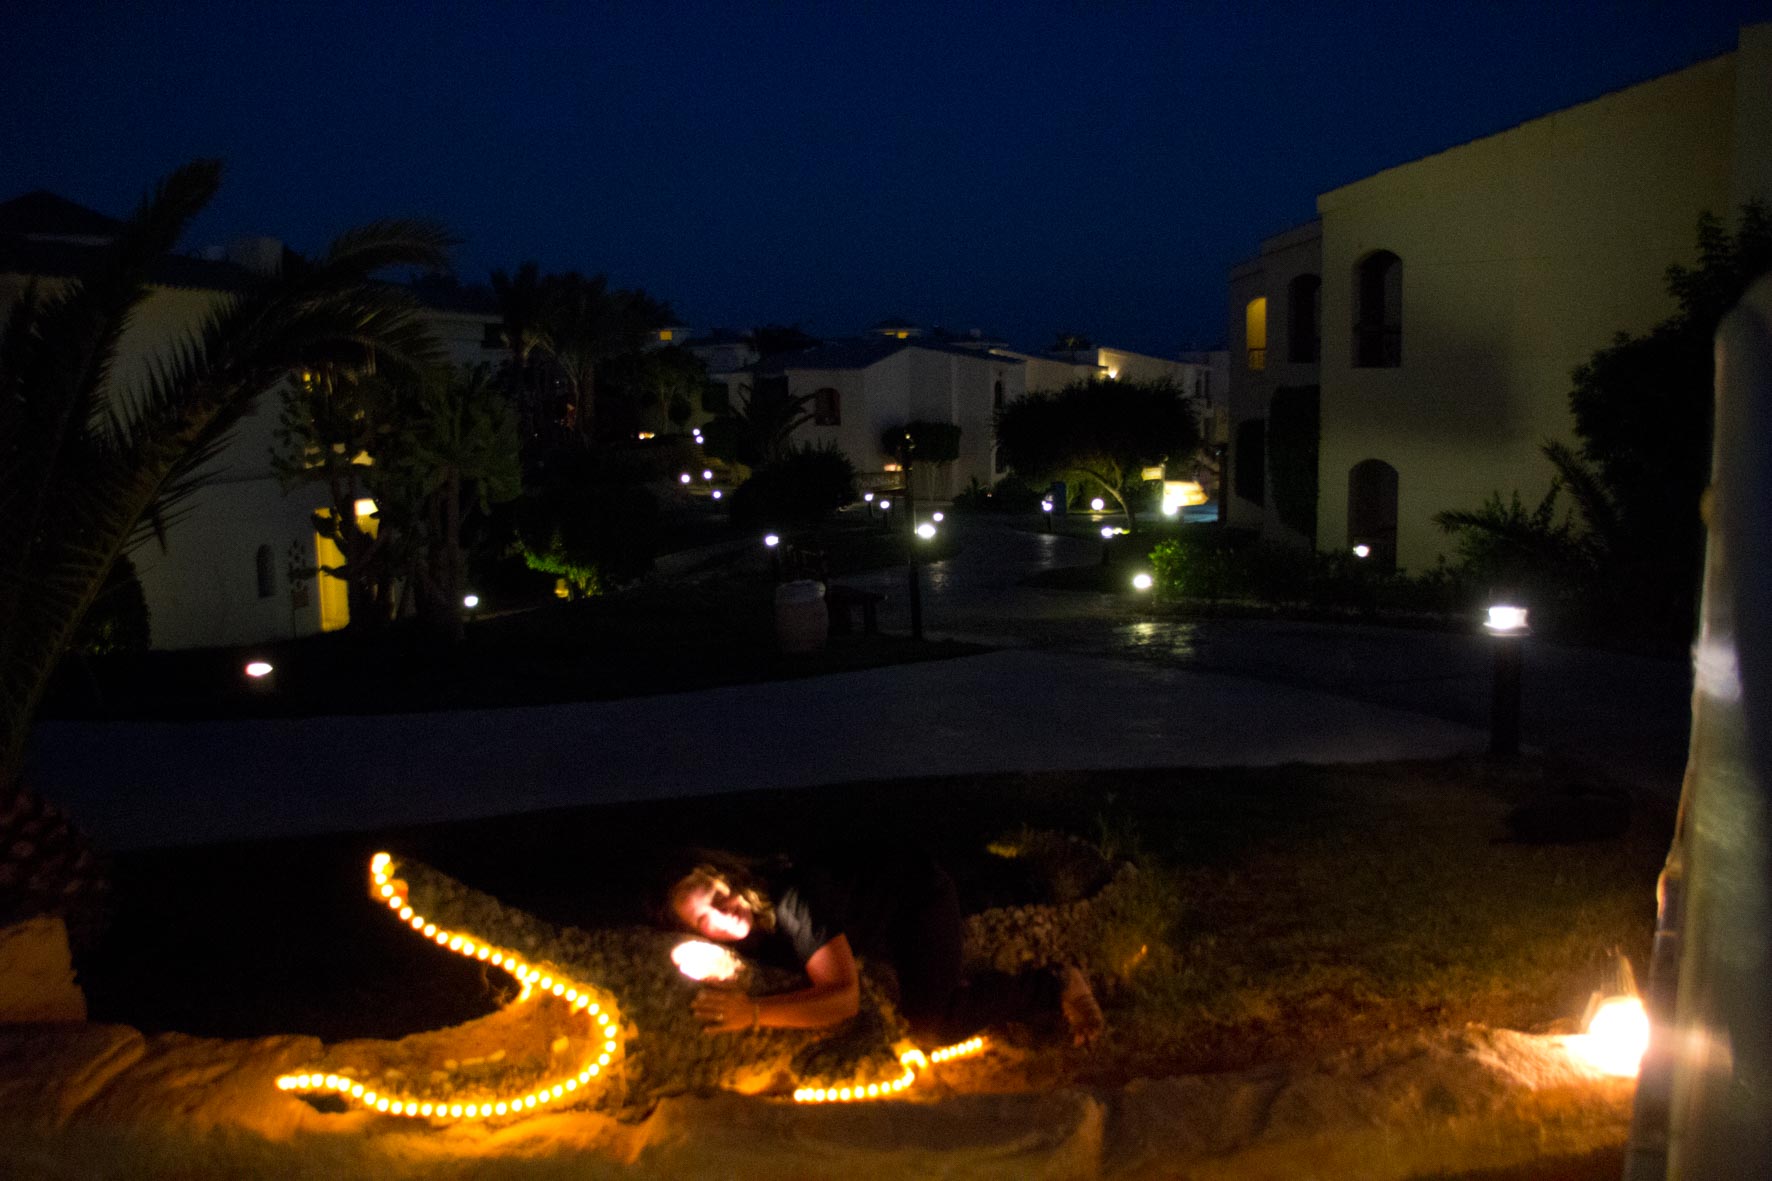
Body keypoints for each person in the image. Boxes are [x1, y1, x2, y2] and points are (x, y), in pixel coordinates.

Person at [654, 845, 1103, 1046]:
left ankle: (1056, 983)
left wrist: (751, 1013)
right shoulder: (751, 931)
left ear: (728, 879)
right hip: (873, 917)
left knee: (931, 1024)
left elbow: (843, 999)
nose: (721, 911)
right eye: (704, 919)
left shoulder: (794, 903)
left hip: (917, 898)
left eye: (715, 893)